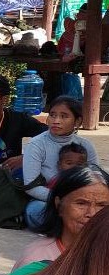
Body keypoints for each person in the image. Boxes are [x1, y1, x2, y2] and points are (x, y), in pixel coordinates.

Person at [11, 164, 109, 271]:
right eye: (81, 203)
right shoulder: (37, 261)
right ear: (59, 205)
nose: (92, 213)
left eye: (102, 205)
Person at [23, 95, 99, 227]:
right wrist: (64, 199)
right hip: (49, 200)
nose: (56, 121)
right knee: (35, 212)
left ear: (77, 122)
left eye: (64, 116)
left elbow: (96, 179)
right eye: (52, 115)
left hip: (82, 199)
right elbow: (31, 188)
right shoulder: (36, 144)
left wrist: (80, 199)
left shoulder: (86, 145)